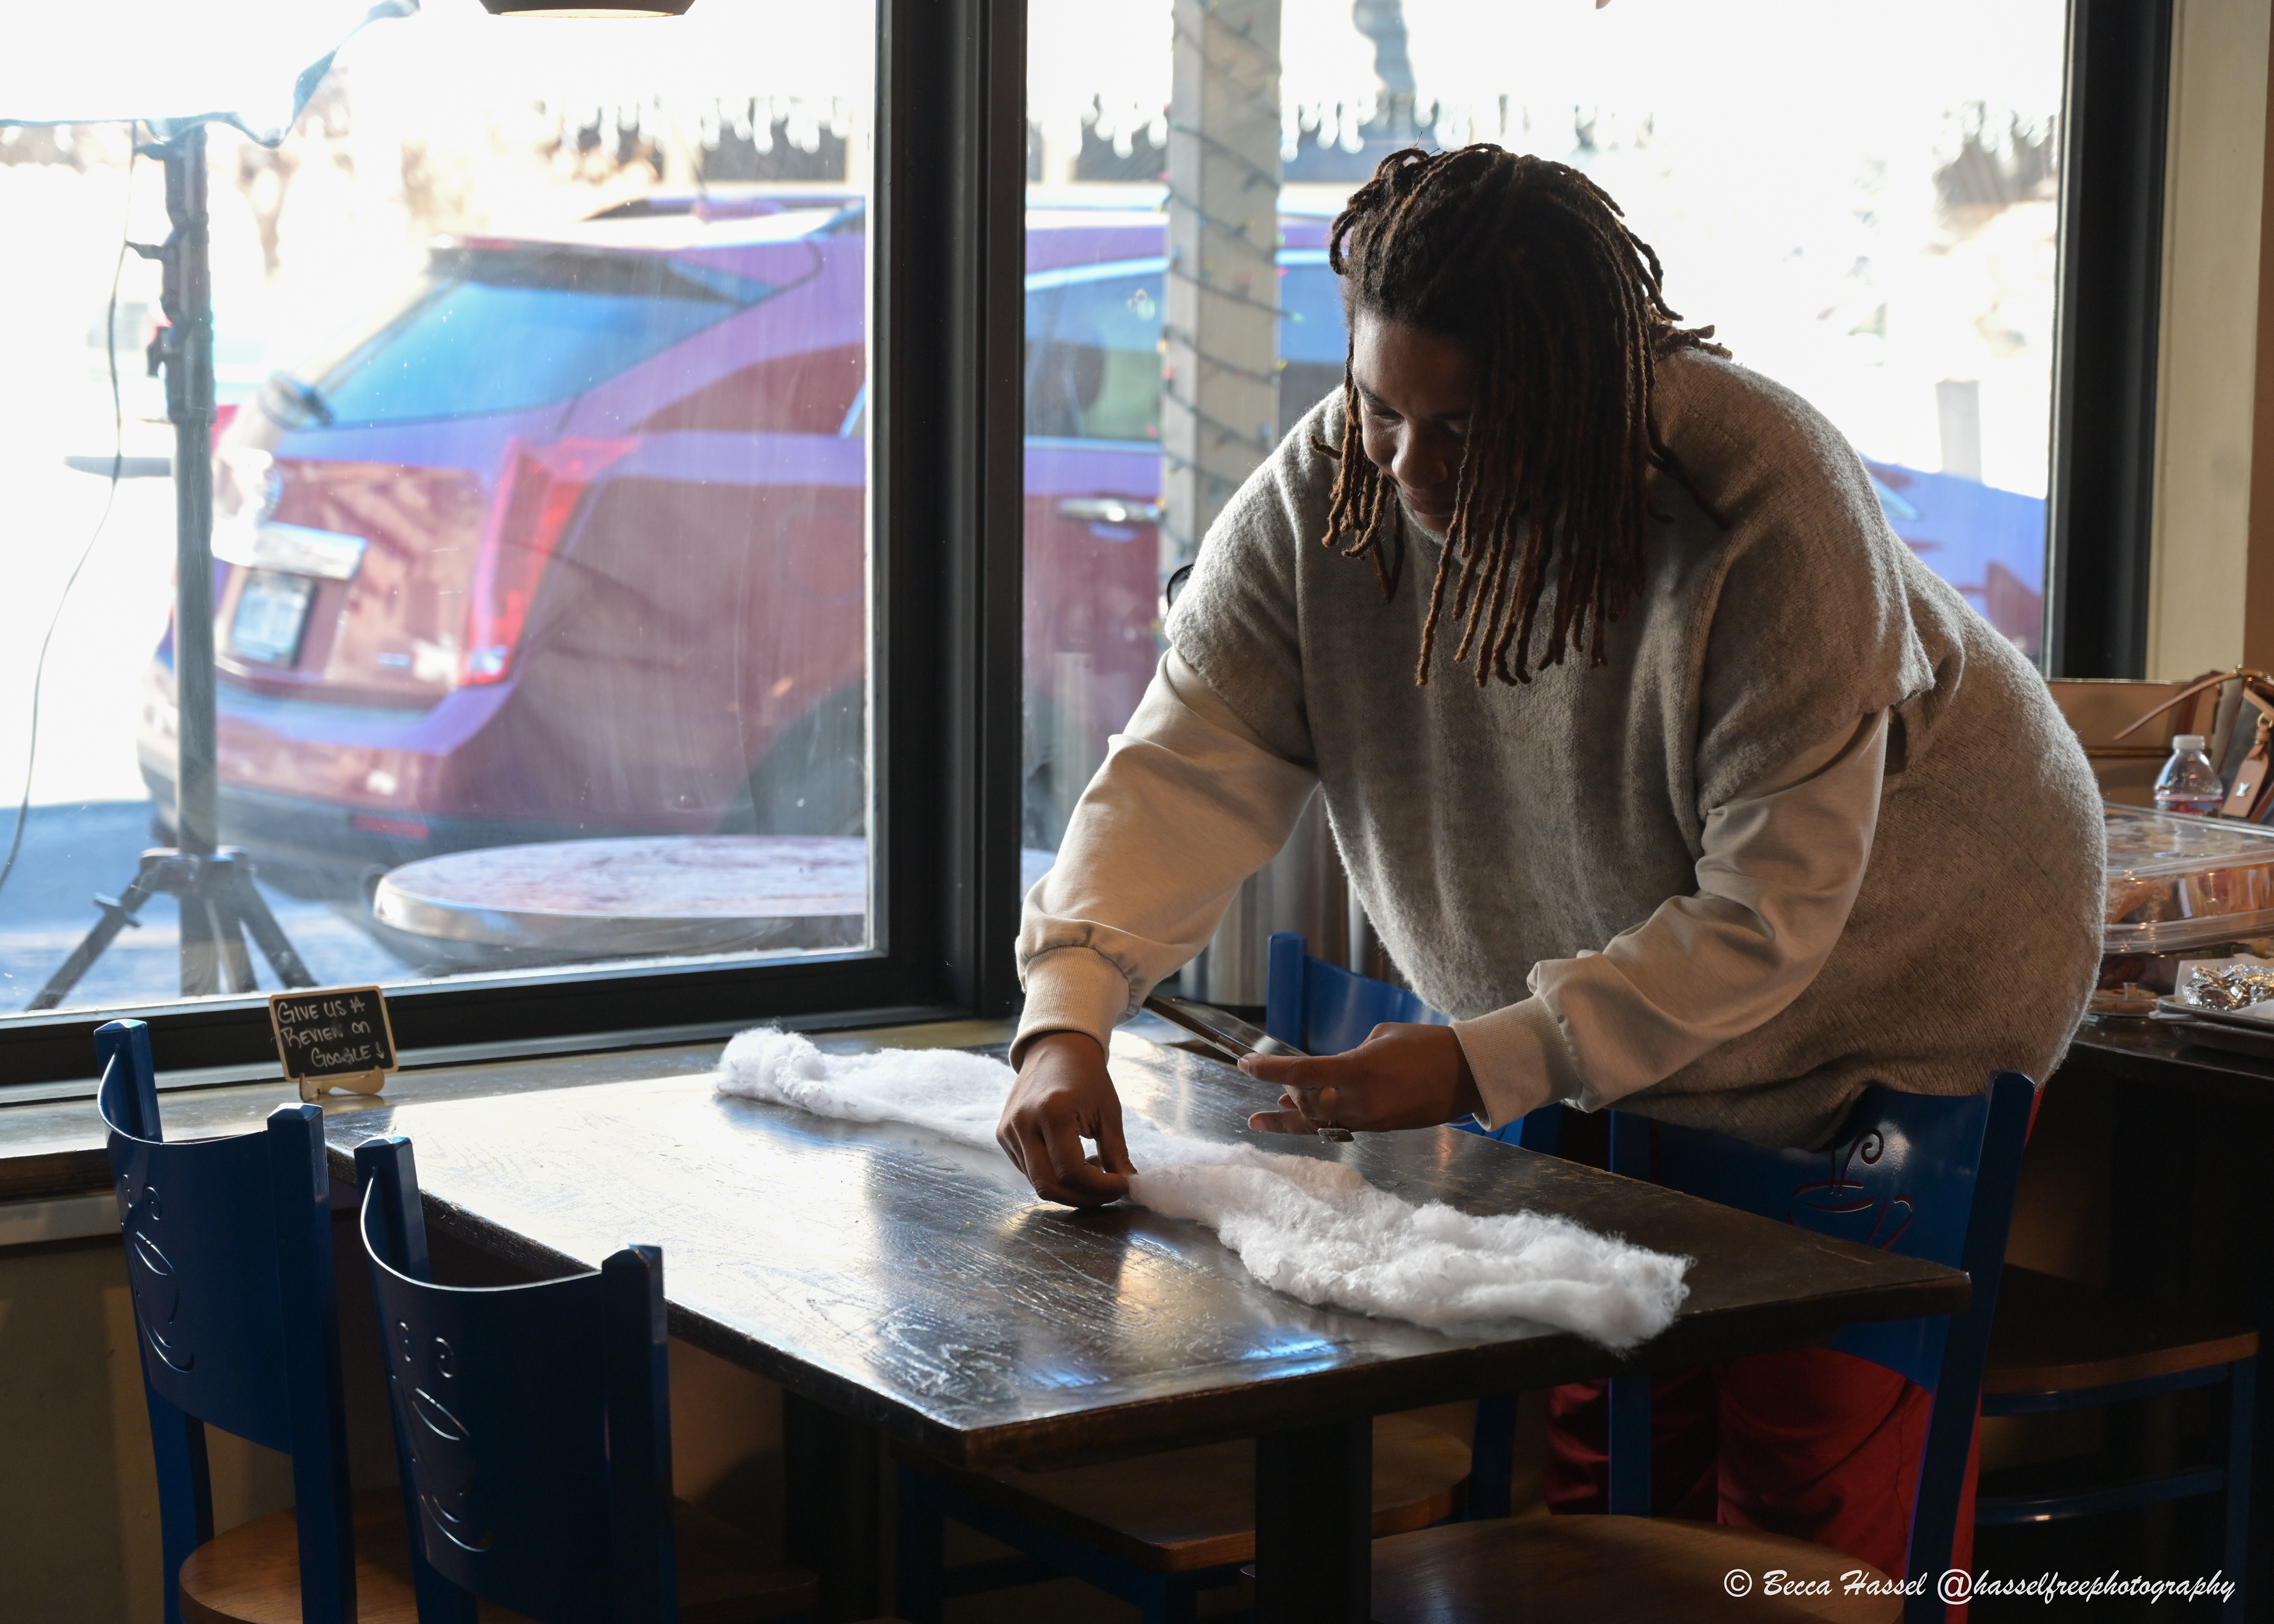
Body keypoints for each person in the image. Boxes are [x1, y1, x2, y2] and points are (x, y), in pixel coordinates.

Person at [995, 146, 2102, 1583]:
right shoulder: (1339, 485)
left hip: (1906, 986)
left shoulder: (1767, 509)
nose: (1408, 468)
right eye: (1381, 408)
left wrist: (1474, 1061)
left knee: (1803, 1506)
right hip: (1633, 1014)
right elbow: (1186, 768)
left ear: (1588, 406)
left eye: (1464, 430)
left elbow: (1767, 920)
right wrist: (1065, 1015)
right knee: (1597, 1450)